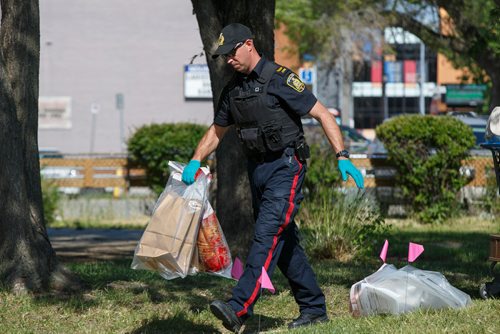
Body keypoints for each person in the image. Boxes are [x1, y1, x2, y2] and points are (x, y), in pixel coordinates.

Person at [181, 23, 364, 332]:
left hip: (286, 166)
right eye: (223, 56)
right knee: (284, 241)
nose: (228, 61)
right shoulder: (234, 90)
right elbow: (217, 131)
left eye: (232, 53)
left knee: (266, 237)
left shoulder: (280, 79)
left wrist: (342, 156)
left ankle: (239, 308)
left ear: (249, 45)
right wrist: (195, 160)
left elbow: (323, 114)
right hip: (258, 169)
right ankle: (314, 308)